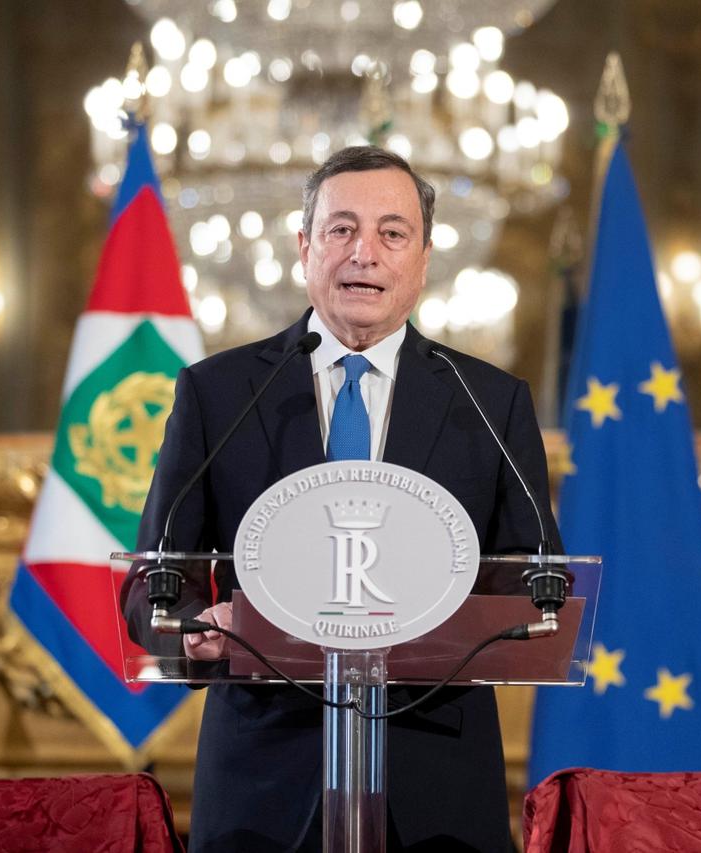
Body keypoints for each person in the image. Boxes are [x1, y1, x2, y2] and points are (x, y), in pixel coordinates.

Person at [122, 146, 559, 851]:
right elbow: (152, 582)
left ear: (422, 257)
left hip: (437, 782)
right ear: (305, 247)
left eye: (393, 233)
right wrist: (193, 628)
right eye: (341, 229)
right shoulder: (219, 393)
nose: (366, 253)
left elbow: (539, 584)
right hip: (261, 782)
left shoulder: (490, 402)